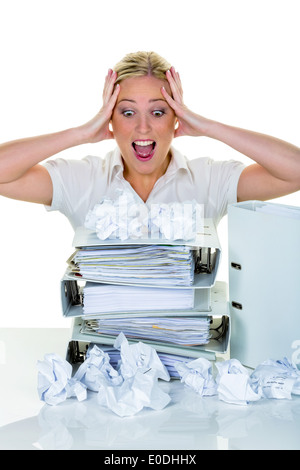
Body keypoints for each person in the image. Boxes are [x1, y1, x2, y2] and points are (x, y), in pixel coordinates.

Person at [0, 51, 299, 231]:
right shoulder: (80, 179)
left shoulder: (211, 180)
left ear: (176, 118)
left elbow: (295, 170)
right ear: (110, 120)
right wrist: (81, 133)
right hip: (101, 338)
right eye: (127, 112)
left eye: (158, 112)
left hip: (189, 338)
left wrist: (208, 126)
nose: (143, 128)